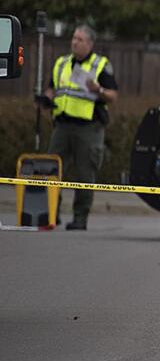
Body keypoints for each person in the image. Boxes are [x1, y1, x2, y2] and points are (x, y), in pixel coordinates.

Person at [36, 24, 118, 231]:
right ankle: (51, 214)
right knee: (52, 170)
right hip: (62, 126)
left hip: (88, 128)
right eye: (74, 38)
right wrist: (45, 99)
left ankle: (80, 218)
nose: (74, 42)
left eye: (80, 39)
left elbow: (113, 95)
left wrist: (98, 89)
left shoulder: (101, 65)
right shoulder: (61, 63)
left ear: (90, 44)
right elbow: (52, 89)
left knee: (84, 175)